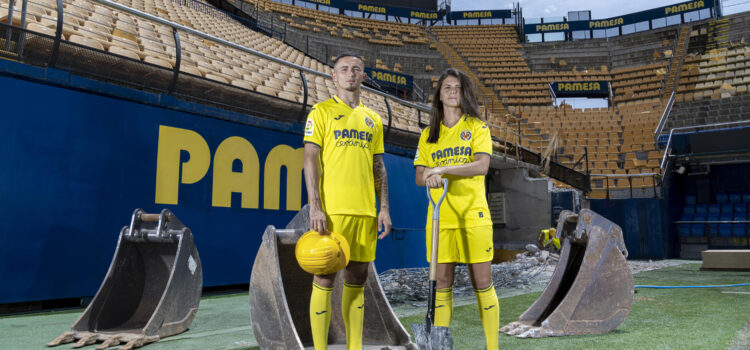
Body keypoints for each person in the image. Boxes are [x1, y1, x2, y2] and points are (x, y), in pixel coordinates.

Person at [303, 52, 392, 350]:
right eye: (344, 69)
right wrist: (315, 205)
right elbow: (310, 159)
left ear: (363, 77)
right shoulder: (321, 112)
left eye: (356, 69)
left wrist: (384, 208)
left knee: (357, 281)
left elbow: (379, 167)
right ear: (334, 76)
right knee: (325, 278)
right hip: (332, 212)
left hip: (365, 212)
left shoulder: (373, 120)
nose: (350, 73)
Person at [413, 68, 499, 350]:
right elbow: (419, 176)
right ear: (439, 95)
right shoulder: (428, 135)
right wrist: (431, 175)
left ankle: (492, 347)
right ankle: (440, 344)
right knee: (443, 284)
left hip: (473, 215)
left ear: (465, 94)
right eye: (447, 87)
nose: (452, 91)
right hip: (441, 218)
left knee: (481, 282)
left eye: (458, 88)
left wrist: (443, 169)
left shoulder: (477, 127)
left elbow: (481, 166)